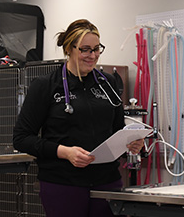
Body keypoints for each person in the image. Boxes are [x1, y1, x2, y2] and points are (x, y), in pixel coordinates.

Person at [13, 19, 144, 217]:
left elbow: (116, 130)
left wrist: (129, 144)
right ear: (69, 49)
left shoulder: (107, 83)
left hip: (106, 182)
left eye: (97, 49)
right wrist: (64, 152)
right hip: (63, 184)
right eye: (85, 49)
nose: (93, 56)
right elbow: (22, 138)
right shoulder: (46, 85)